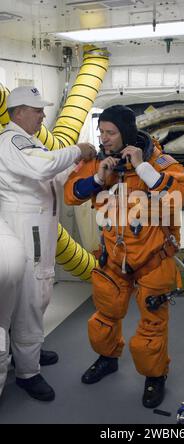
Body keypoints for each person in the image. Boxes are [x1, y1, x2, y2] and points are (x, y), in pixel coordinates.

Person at [64, 105, 184, 408]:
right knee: (105, 315)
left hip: (153, 258)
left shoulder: (157, 160)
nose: (104, 138)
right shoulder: (101, 162)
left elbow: (182, 194)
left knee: (152, 323)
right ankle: (108, 358)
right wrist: (98, 179)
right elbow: (72, 193)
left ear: (126, 132)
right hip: (114, 257)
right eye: (101, 133)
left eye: (110, 133)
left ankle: (155, 376)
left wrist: (143, 168)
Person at [0, 86, 96, 401]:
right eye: (38, 110)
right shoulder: (12, 140)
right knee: (32, 298)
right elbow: (42, 167)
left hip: (39, 228)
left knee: (39, 295)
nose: (43, 115)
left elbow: (49, 175)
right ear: (19, 112)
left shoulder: (32, 142)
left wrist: (75, 169)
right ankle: (28, 373)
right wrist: (78, 150)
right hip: (26, 230)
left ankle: (30, 352)